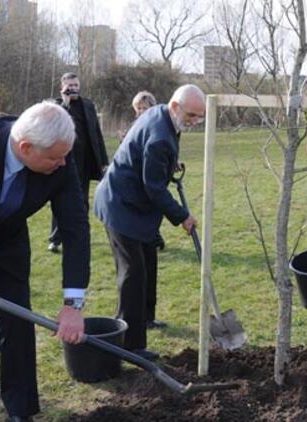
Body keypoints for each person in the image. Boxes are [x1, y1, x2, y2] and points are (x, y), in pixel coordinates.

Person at [94, 84, 205, 360]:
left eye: (199, 117)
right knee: (133, 272)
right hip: (121, 206)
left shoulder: (161, 113)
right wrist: (182, 216)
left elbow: (154, 158)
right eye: (191, 116)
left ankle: (144, 319)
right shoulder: (159, 137)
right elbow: (153, 188)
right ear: (176, 107)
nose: (194, 122)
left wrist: (170, 164)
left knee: (147, 262)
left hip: (134, 204)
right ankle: (131, 345)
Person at [0, 102, 90, 421]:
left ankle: (20, 410)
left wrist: (73, 305)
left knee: (17, 327)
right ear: (25, 147)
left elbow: (75, 227)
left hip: (7, 247)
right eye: (54, 158)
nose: (62, 163)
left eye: (65, 155)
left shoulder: (61, 160)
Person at [48, 72, 108, 253]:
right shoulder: (56, 106)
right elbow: (54, 127)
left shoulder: (88, 105)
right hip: (64, 162)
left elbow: (97, 135)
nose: (73, 88)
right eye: (69, 86)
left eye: (75, 85)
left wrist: (103, 161)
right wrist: (65, 103)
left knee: (82, 202)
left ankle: (81, 236)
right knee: (60, 201)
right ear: (62, 87)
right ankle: (55, 239)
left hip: (85, 163)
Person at [129, 90, 167, 329]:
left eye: (145, 108)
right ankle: (136, 319)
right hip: (134, 207)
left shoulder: (158, 130)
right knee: (138, 268)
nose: (141, 112)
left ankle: (149, 316)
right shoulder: (133, 132)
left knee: (150, 263)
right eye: (138, 109)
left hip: (150, 206)